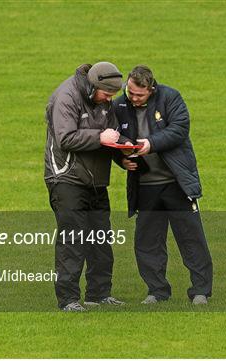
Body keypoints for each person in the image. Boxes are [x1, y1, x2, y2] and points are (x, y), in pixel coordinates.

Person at [113, 65, 213, 305]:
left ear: (151, 88)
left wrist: (151, 144)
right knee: (147, 240)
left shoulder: (171, 98)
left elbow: (179, 129)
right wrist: (122, 160)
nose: (133, 98)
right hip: (145, 186)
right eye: (130, 92)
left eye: (139, 94)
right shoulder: (119, 106)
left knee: (191, 237)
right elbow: (112, 137)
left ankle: (200, 290)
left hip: (175, 182)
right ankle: (157, 291)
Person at [44, 62, 126, 312]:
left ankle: (99, 294)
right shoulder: (66, 96)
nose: (109, 99)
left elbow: (111, 136)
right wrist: (99, 137)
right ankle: (68, 299)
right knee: (73, 239)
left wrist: (125, 155)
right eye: (107, 94)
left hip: (96, 180)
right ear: (93, 85)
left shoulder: (104, 100)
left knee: (101, 237)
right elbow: (66, 138)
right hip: (66, 178)